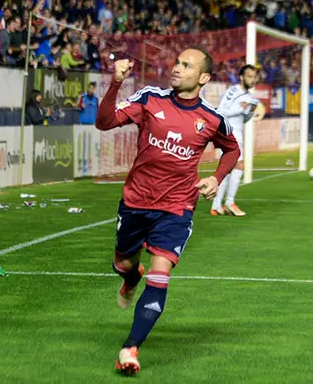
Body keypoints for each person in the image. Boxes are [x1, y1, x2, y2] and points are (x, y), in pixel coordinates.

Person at [95, 47, 240, 376]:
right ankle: (130, 277)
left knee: (161, 274)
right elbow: (104, 123)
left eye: (186, 65)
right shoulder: (150, 99)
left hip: (176, 207)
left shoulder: (213, 119)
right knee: (123, 263)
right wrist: (115, 83)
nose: (176, 68)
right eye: (177, 62)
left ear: (203, 78)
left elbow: (232, 150)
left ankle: (130, 349)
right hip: (136, 202)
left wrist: (216, 178)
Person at [211, 64, 259, 216]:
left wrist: (250, 111)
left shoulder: (249, 97)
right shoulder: (233, 91)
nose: (252, 80)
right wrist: (241, 108)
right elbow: (220, 111)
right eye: (249, 76)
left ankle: (216, 205)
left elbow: (244, 119)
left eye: (254, 77)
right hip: (229, 132)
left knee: (228, 169)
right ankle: (230, 202)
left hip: (237, 132)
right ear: (241, 77)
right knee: (239, 165)